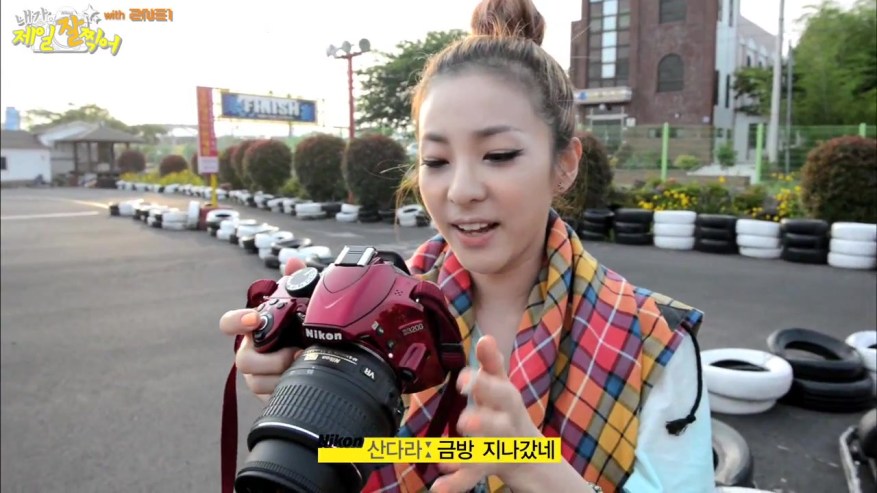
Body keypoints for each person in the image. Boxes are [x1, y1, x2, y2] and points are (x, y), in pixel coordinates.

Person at [220, 0, 715, 491]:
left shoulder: (654, 343)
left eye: (498, 155)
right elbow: (347, 459)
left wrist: (534, 466)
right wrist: (305, 397)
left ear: (565, 164)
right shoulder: (370, 316)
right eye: (436, 161)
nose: (460, 191)